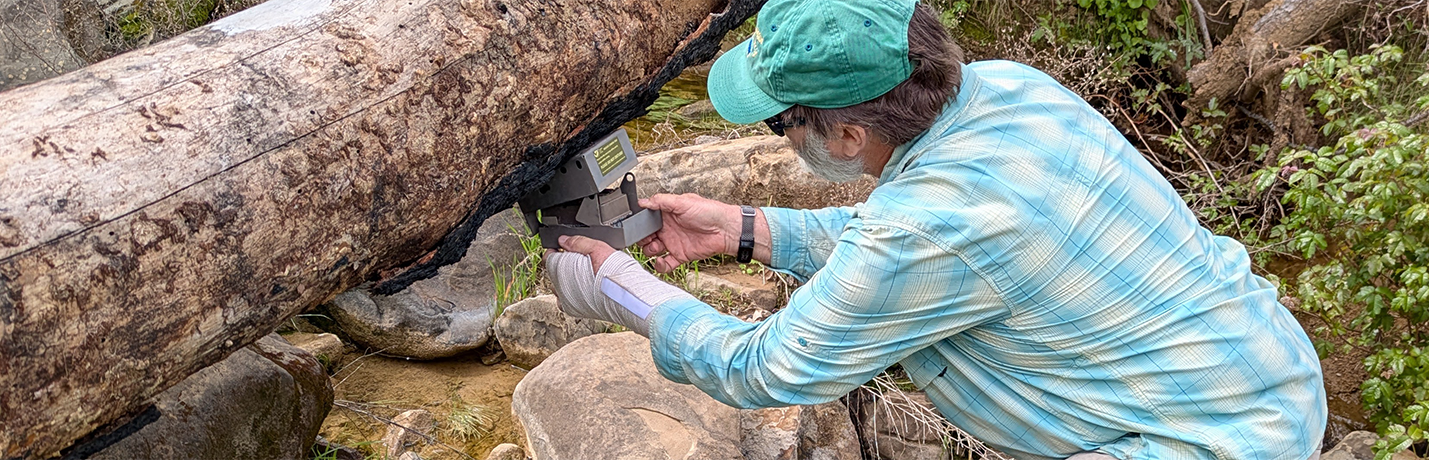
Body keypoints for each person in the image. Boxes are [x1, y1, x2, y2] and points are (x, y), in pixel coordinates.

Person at [541, 0, 1327, 458]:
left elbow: (767, 370)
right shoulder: (1011, 90)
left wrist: (627, 293)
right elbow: (924, 244)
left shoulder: (927, 229)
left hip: (1202, 443)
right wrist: (745, 229)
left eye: (781, 122)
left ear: (847, 136)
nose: (781, 136)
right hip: (1262, 378)